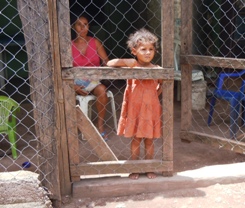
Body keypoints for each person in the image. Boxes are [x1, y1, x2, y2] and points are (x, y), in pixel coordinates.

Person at [107, 28, 163, 179]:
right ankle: (135, 168)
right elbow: (109, 62)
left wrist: (153, 96)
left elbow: (163, 84)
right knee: (136, 139)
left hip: (150, 110)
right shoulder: (132, 66)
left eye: (151, 49)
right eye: (143, 49)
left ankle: (149, 167)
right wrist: (127, 61)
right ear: (134, 51)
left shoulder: (157, 69)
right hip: (135, 110)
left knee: (149, 140)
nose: (147, 53)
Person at [72, 14, 109, 140]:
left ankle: (100, 126)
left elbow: (106, 61)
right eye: (79, 24)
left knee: (102, 90)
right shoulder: (68, 46)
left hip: (93, 80)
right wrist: (73, 86)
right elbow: (64, 70)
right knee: (64, 92)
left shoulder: (95, 42)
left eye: (85, 24)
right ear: (73, 27)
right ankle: (73, 127)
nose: (83, 28)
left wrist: (108, 67)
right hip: (74, 81)